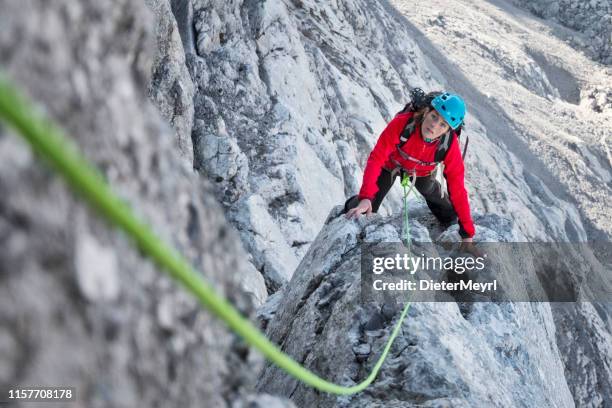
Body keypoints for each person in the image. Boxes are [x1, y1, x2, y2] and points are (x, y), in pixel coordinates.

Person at [343, 91, 476, 244]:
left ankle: (449, 218)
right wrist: (366, 197)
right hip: (390, 164)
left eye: (443, 124)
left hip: (421, 172)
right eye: (434, 116)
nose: (434, 125)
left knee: (443, 207)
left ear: (448, 130)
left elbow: (457, 186)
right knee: (368, 206)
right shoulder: (404, 124)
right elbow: (377, 158)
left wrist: (467, 233)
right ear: (427, 111)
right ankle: (350, 207)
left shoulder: (448, 145)